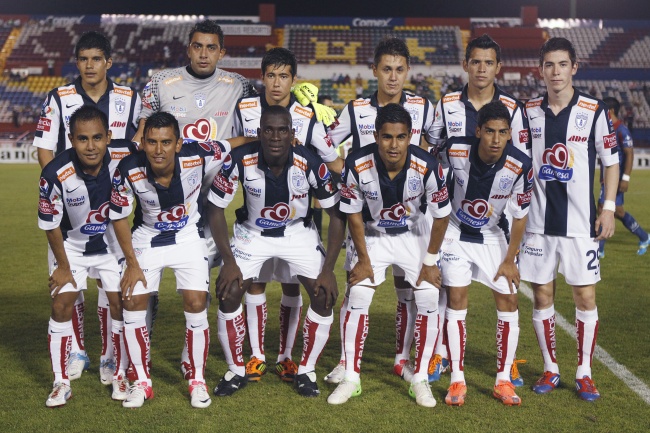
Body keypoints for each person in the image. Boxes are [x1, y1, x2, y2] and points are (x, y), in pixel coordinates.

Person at [207, 105, 346, 398]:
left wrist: (328, 269)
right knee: (228, 292)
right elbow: (215, 208)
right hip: (252, 234)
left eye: (282, 130)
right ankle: (235, 370)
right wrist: (229, 262)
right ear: (259, 133)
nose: (275, 137)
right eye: (268, 130)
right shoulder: (240, 159)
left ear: (292, 133)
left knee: (324, 295)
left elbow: (336, 215)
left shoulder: (309, 161)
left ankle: (306, 371)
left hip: (297, 234)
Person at [324, 37, 439, 386]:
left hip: (411, 217)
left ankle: (402, 358)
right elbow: (326, 143)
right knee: (356, 283)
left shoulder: (423, 107)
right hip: (367, 215)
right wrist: (345, 171)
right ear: (374, 70)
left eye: (399, 70)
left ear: (408, 71)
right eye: (386, 69)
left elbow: (438, 144)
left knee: (409, 287)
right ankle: (346, 361)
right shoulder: (356, 109)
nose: (392, 76)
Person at [33, 30, 142, 383]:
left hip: (114, 205)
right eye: (83, 59)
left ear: (109, 62)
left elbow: (139, 140)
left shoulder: (129, 97)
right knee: (71, 284)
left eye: (97, 59)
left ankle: (110, 356)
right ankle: (77, 350)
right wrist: (65, 189)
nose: (90, 65)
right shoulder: (59, 97)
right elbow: (45, 148)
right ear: (77, 62)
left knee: (111, 285)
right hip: (74, 204)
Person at [231, 48, 343, 383]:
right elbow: (233, 146)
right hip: (255, 218)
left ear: (293, 80)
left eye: (284, 76)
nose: (277, 83)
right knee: (256, 283)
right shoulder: (245, 108)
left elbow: (332, 161)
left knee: (292, 286)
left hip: (298, 219)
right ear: (262, 77)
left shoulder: (308, 116)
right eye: (271, 75)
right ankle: (256, 356)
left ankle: (286, 356)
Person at [328, 103, 450, 407]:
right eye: (386, 137)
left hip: (414, 234)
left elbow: (441, 215)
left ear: (410, 136)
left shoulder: (428, 165)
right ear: (375, 136)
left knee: (428, 297)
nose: (393, 145)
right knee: (357, 293)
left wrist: (430, 261)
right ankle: (351, 378)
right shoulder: (356, 163)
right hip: (373, 234)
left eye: (400, 137)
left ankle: (420, 379)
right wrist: (363, 260)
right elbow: (353, 215)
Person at [109, 112, 232, 408]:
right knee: (132, 301)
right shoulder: (128, 168)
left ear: (178, 144)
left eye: (166, 142)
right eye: (151, 142)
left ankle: (197, 380)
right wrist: (131, 264)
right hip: (147, 237)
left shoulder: (197, 154)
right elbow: (119, 217)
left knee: (196, 302)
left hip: (188, 235)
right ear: (143, 143)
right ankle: (142, 381)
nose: (158, 149)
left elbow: (232, 144)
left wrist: (260, 139)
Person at [520, 37, 619, 402]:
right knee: (542, 295)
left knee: (585, 296)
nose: (556, 71)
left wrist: (609, 207)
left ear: (574, 67)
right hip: (538, 224)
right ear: (540, 70)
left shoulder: (594, 110)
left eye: (563, 64)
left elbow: (611, 162)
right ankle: (550, 368)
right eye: (549, 65)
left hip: (580, 224)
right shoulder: (529, 111)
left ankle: (584, 372)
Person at [428, 33, 530, 386]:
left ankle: (508, 362)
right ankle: (441, 353)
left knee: (508, 293)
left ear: (498, 67)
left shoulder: (512, 109)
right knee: (447, 290)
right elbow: (432, 148)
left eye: (488, 63)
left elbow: (519, 158)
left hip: (496, 218)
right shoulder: (447, 103)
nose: (482, 69)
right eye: (476, 62)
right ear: (466, 64)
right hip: (454, 210)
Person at [38, 106, 136, 407]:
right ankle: (60, 382)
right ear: (71, 139)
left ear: (108, 136)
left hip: (111, 247)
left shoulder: (125, 155)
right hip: (71, 248)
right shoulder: (54, 173)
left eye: (97, 137)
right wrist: (63, 267)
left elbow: (161, 147)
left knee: (120, 303)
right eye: (82, 139)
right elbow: (50, 224)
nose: (90, 146)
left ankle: (116, 369)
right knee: (61, 304)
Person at [441, 101, 533, 407]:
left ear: (510, 134)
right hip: (455, 231)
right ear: (478, 131)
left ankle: (503, 380)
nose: (496, 139)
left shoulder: (520, 165)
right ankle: (457, 379)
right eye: (490, 131)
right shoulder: (455, 149)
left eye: (502, 132)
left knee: (509, 300)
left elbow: (520, 216)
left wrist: (510, 259)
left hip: (493, 235)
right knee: (456, 299)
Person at [597, 96, 649, 257]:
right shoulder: (607, 128)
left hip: (616, 179)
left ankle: (600, 249)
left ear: (611, 111)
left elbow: (630, 154)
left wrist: (625, 178)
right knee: (613, 211)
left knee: (607, 209)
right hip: (607, 178)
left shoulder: (621, 130)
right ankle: (643, 237)